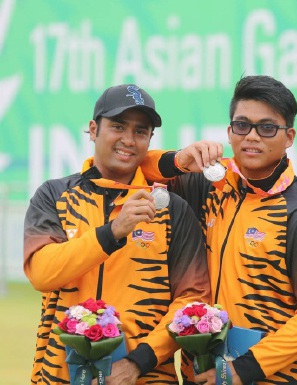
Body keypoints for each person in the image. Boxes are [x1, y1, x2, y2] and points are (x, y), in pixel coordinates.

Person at [141, 75, 297, 385]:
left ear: (289, 137)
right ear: (229, 131)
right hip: (202, 374)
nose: (252, 137)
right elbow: (134, 168)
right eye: (242, 125)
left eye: (267, 128)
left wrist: (242, 370)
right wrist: (178, 159)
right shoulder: (207, 185)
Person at [23, 84, 211, 385]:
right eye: (118, 126)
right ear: (94, 129)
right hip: (61, 375)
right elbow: (42, 274)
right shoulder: (54, 194)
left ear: (150, 140)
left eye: (140, 131)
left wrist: (138, 362)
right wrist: (112, 232)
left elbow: (192, 300)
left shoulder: (172, 209)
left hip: (147, 376)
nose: (128, 139)